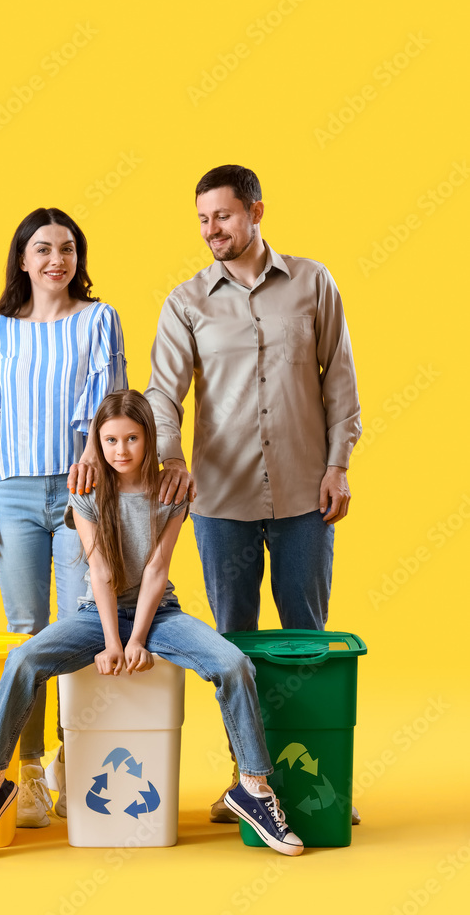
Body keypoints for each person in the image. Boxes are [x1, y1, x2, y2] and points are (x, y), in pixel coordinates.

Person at [0, 390, 304, 861]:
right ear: (98, 443)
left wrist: (138, 638)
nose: (122, 450)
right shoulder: (85, 493)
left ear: (149, 439)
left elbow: (157, 570)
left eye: (132, 439)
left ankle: (253, 787)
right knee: (22, 658)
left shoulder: (170, 493)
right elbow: (98, 572)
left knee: (234, 663)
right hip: (94, 614)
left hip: (159, 613)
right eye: (111, 440)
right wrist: (114, 642)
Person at [144, 164, 361, 821]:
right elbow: (161, 392)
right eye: (203, 219)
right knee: (232, 645)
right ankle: (248, 782)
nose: (212, 230)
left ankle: (312, 776)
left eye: (223, 216)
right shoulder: (186, 301)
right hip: (220, 503)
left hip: (302, 494)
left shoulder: (312, 283)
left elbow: (339, 381)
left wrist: (337, 464)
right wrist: (169, 453)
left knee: (305, 640)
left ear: (256, 211)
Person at [0, 207, 127, 827]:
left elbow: (112, 406)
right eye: (44, 249)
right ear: (23, 260)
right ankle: (27, 775)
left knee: (81, 630)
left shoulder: (99, 320)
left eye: (68, 249)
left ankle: (74, 759)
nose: (57, 260)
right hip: (17, 494)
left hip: (83, 491)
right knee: (27, 632)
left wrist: (90, 458)